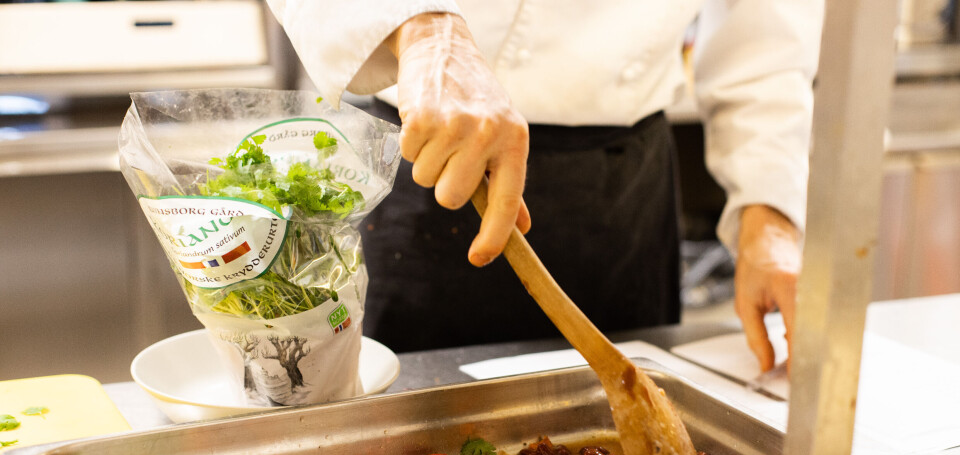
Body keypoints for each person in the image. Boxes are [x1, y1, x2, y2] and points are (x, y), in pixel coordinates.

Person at [265, 1, 823, 371]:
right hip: (433, 162)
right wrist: (424, 28)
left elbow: (768, 37)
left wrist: (768, 213)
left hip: (624, 196)